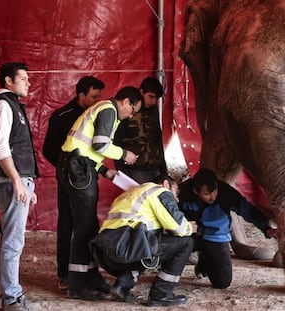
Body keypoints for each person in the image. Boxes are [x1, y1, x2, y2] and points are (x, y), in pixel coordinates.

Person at [56, 86, 142, 301]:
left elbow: (87, 148)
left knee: (88, 226)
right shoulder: (109, 110)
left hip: (77, 165)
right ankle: (76, 285)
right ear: (125, 102)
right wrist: (124, 154)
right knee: (85, 227)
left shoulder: (103, 110)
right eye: (132, 110)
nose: (130, 116)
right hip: (78, 169)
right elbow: (101, 144)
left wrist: (104, 170)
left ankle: (91, 276)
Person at [90, 175, 193, 307]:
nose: (177, 199)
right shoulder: (159, 191)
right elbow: (179, 228)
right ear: (166, 184)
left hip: (107, 254)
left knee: (149, 246)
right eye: (176, 192)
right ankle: (161, 294)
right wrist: (190, 227)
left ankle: (121, 285)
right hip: (128, 247)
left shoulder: (131, 193)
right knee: (186, 242)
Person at [42, 76, 105, 290]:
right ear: (81, 95)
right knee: (66, 225)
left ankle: (88, 272)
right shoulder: (62, 116)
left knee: (87, 225)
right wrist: (67, 169)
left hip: (89, 179)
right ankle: (64, 274)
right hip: (68, 180)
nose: (98, 101)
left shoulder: (95, 116)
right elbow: (48, 150)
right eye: (94, 96)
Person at [178, 168, 276, 289]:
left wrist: (266, 228)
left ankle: (205, 261)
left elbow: (247, 210)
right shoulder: (182, 192)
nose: (212, 197)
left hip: (214, 237)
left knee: (222, 283)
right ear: (195, 191)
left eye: (214, 191)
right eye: (207, 194)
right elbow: (168, 212)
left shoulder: (226, 192)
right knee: (172, 249)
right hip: (188, 235)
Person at [0, 62, 39, 311]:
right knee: (13, 242)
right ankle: (11, 298)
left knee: (11, 241)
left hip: (16, 182)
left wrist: (27, 184)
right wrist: (16, 181)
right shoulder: (4, 105)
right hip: (8, 182)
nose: (28, 82)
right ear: (8, 81)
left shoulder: (13, 106)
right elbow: (0, 146)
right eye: (23, 78)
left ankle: (11, 294)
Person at [114, 77, 166, 183]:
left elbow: (158, 139)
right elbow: (116, 139)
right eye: (151, 96)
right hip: (135, 168)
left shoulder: (153, 110)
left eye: (156, 98)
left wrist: (163, 168)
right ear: (141, 91)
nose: (153, 101)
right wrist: (121, 169)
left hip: (154, 166)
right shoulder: (127, 109)